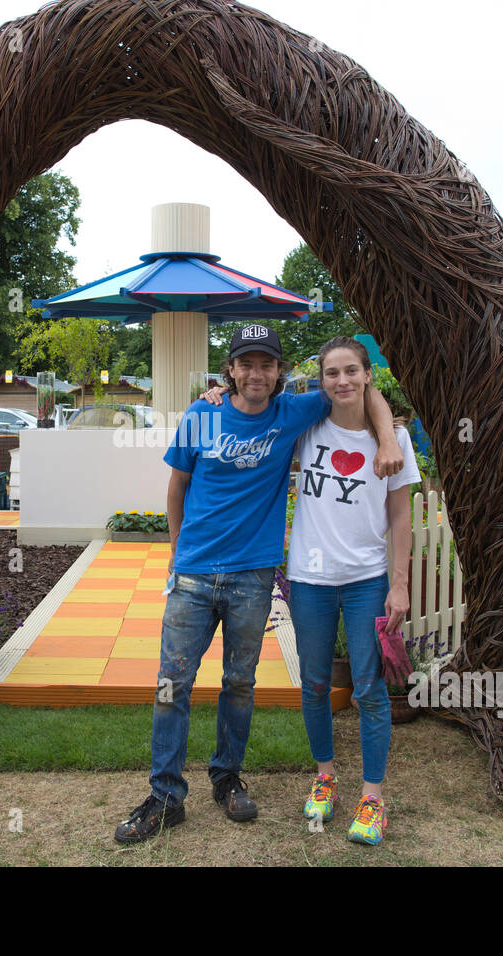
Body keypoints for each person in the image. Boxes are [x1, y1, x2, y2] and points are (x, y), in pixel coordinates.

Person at [113, 324, 404, 844]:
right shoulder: (203, 415)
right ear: (230, 370)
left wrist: (386, 436)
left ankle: (227, 779)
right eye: (245, 363)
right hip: (195, 574)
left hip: (253, 575)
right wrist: (178, 555)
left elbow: (361, 388)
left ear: (279, 373)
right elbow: (176, 488)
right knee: (171, 684)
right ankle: (164, 796)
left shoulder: (293, 412)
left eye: (266, 364)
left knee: (239, 684)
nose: (255, 373)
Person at [286, 336, 420, 845]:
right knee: (316, 684)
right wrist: (215, 395)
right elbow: (258, 407)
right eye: (330, 373)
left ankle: (372, 796)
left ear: (368, 375)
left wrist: (400, 585)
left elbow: (402, 516)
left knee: (369, 689)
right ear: (321, 381)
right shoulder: (307, 429)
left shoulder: (396, 442)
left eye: (350, 371)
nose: (341, 381)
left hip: (367, 579)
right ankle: (325, 778)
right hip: (309, 578)